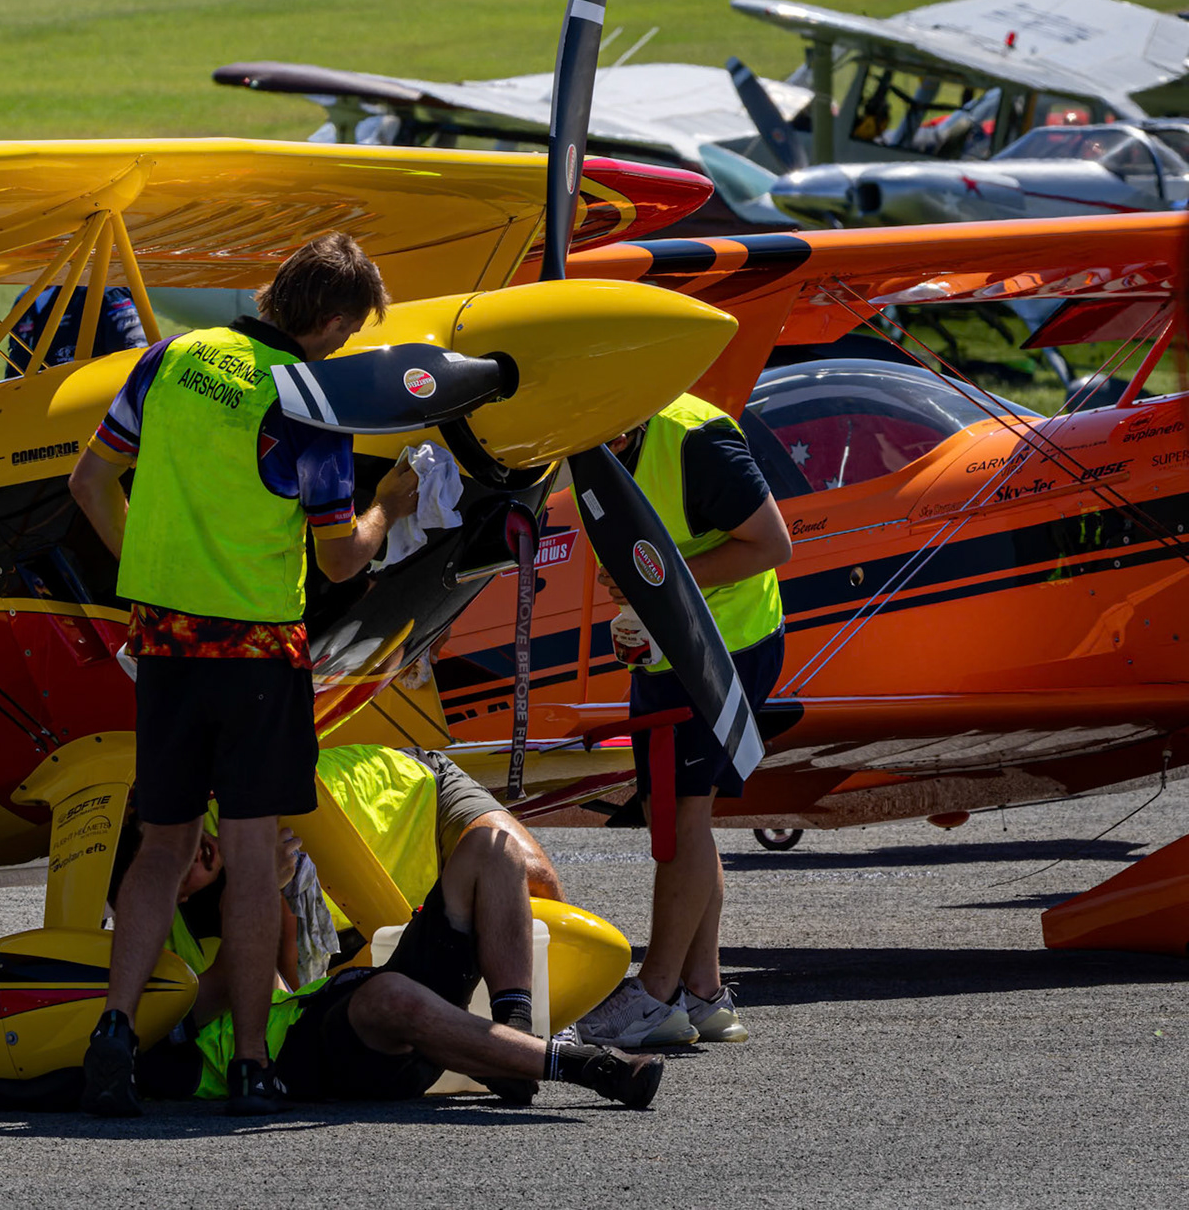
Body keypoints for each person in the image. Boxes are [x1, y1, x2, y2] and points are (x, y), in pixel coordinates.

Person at [69, 232, 419, 1117]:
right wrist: (392, 503)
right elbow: (342, 563)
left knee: (163, 845)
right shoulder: (312, 403)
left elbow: (90, 481)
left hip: (165, 649)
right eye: (346, 336)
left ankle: (114, 1027)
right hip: (259, 659)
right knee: (255, 855)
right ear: (332, 320)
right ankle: (254, 1061)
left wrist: (151, 574)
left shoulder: (168, 357)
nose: (343, 351)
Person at [132, 808, 663, 1113]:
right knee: (389, 998)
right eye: (164, 856)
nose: (186, 846)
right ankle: (584, 1067)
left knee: (492, 844)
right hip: (316, 1060)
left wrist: (261, 889)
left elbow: (286, 981)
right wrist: (256, 882)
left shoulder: (214, 921)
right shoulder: (142, 993)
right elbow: (225, 983)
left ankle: (512, 1036)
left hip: (329, 1009)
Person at [573, 391, 791, 1051]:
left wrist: (660, 581)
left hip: (725, 644)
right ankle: (703, 993)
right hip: (668, 638)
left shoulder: (696, 437)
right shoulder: (586, 433)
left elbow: (772, 542)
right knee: (680, 814)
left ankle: (655, 994)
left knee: (683, 817)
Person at [4, 285, 146, 375]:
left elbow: (133, 359)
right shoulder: (24, 301)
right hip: (34, 409)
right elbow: (14, 366)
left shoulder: (105, 293)